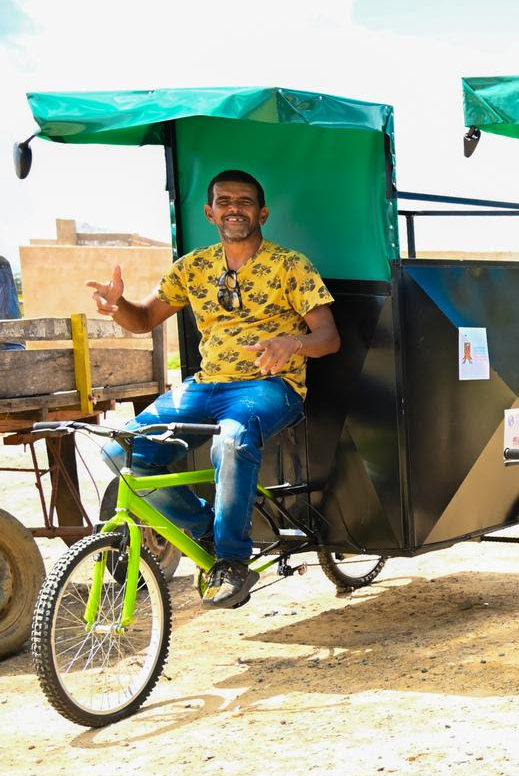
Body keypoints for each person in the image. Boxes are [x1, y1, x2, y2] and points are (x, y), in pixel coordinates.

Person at [87, 169, 340, 606]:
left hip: (270, 386)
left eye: (244, 202)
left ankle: (232, 562)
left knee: (233, 440)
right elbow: (144, 319)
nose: (234, 209)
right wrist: (119, 306)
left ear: (262, 212)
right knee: (121, 451)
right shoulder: (193, 267)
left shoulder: (289, 265)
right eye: (224, 201)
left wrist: (292, 342)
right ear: (210, 213)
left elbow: (329, 338)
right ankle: (205, 527)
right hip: (206, 386)